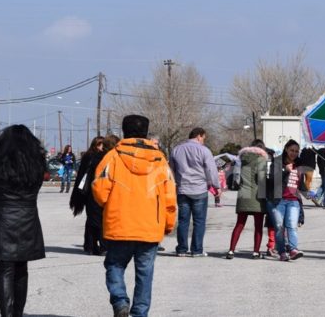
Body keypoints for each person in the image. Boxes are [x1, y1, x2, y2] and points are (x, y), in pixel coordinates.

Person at [92, 115, 177, 316]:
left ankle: (120, 301)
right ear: (146, 133)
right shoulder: (160, 161)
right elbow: (170, 196)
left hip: (119, 224)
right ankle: (140, 313)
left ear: (124, 131)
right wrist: (168, 223)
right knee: (145, 273)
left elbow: (99, 190)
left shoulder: (112, 157)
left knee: (114, 265)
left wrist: (113, 205)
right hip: (150, 227)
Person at [0, 125, 47, 317]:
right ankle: (18, 313)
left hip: (3, 220)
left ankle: (7, 314)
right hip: (28, 218)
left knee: (5, 270)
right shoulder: (37, 164)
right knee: (22, 268)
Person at [169, 127, 220, 257]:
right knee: (199, 221)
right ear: (199, 136)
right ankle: (196, 250)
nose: (203, 141)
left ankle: (181, 249)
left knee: (183, 221)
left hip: (182, 189)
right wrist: (216, 186)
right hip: (199, 189)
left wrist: (175, 183)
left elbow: (171, 169)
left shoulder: (176, 149)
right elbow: (211, 170)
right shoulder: (204, 150)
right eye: (203, 138)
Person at [226, 139, 269, 260]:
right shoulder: (261, 159)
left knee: (239, 224)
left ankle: (231, 250)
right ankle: (255, 252)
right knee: (258, 226)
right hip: (256, 195)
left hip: (243, 194)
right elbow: (261, 179)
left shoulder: (241, 159)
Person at [267, 140, 306, 261]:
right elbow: (273, 179)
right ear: (286, 149)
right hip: (279, 200)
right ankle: (282, 252)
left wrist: (307, 192)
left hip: (294, 200)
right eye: (291, 150)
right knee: (279, 227)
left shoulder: (299, 164)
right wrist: (285, 170)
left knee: (292, 225)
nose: (294, 153)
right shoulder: (278, 161)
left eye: (296, 151)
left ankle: (293, 249)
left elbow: (300, 183)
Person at [69, 136, 106, 255]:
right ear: (96, 145)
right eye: (100, 145)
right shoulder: (93, 157)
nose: (102, 147)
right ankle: (95, 245)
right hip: (91, 191)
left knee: (92, 219)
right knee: (95, 219)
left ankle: (90, 245)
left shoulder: (91, 156)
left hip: (93, 191)